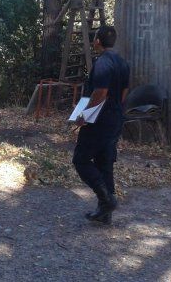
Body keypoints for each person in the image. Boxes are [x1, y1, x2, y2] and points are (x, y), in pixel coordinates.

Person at [73, 25, 130, 224]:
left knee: (80, 160)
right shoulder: (122, 63)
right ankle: (105, 213)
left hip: (99, 121)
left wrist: (84, 115)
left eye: (94, 38)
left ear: (97, 41)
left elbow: (100, 93)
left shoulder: (103, 63)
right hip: (116, 119)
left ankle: (107, 200)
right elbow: (124, 93)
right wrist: (115, 110)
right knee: (104, 163)